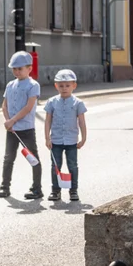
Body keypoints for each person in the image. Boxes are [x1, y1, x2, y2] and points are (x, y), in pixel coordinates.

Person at [0, 51, 42, 199]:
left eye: (20, 69)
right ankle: (5, 187)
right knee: (8, 158)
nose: (16, 72)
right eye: (14, 69)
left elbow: (28, 107)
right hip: (12, 130)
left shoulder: (33, 85)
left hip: (26, 129)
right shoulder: (10, 85)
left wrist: (13, 120)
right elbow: (4, 105)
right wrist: (7, 121)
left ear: (29, 69)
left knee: (33, 158)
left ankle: (37, 188)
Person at [44, 69, 88, 202]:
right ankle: (55, 191)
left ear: (74, 86)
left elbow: (81, 122)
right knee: (55, 166)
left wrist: (83, 138)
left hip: (71, 141)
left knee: (72, 165)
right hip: (56, 140)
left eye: (67, 85)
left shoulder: (77, 103)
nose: (64, 88)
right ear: (56, 86)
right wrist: (47, 138)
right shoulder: (51, 102)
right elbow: (48, 121)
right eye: (61, 86)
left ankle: (73, 190)